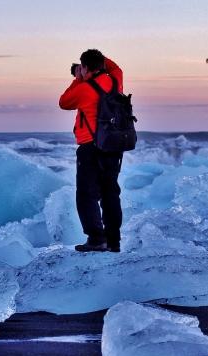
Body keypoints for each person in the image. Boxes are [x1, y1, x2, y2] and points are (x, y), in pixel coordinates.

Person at [59, 49, 124, 252]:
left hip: (90, 147)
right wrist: (95, 61)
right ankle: (113, 241)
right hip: (114, 146)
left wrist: (78, 78)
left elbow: (64, 102)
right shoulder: (115, 81)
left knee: (86, 194)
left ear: (85, 67)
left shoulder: (84, 88)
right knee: (110, 193)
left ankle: (96, 238)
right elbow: (116, 67)